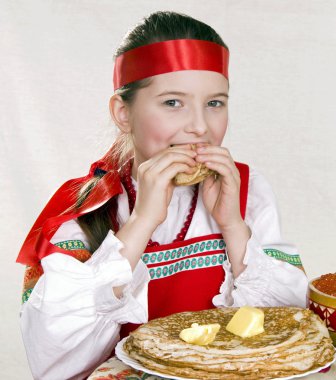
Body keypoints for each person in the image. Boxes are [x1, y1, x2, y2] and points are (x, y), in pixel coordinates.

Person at [17, 11, 308, 380]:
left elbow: (290, 335)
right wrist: (140, 223)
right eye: (173, 103)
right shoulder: (83, 209)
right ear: (123, 114)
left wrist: (233, 226)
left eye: (215, 103)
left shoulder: (246, 189)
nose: (200, 126)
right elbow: (54, 362)